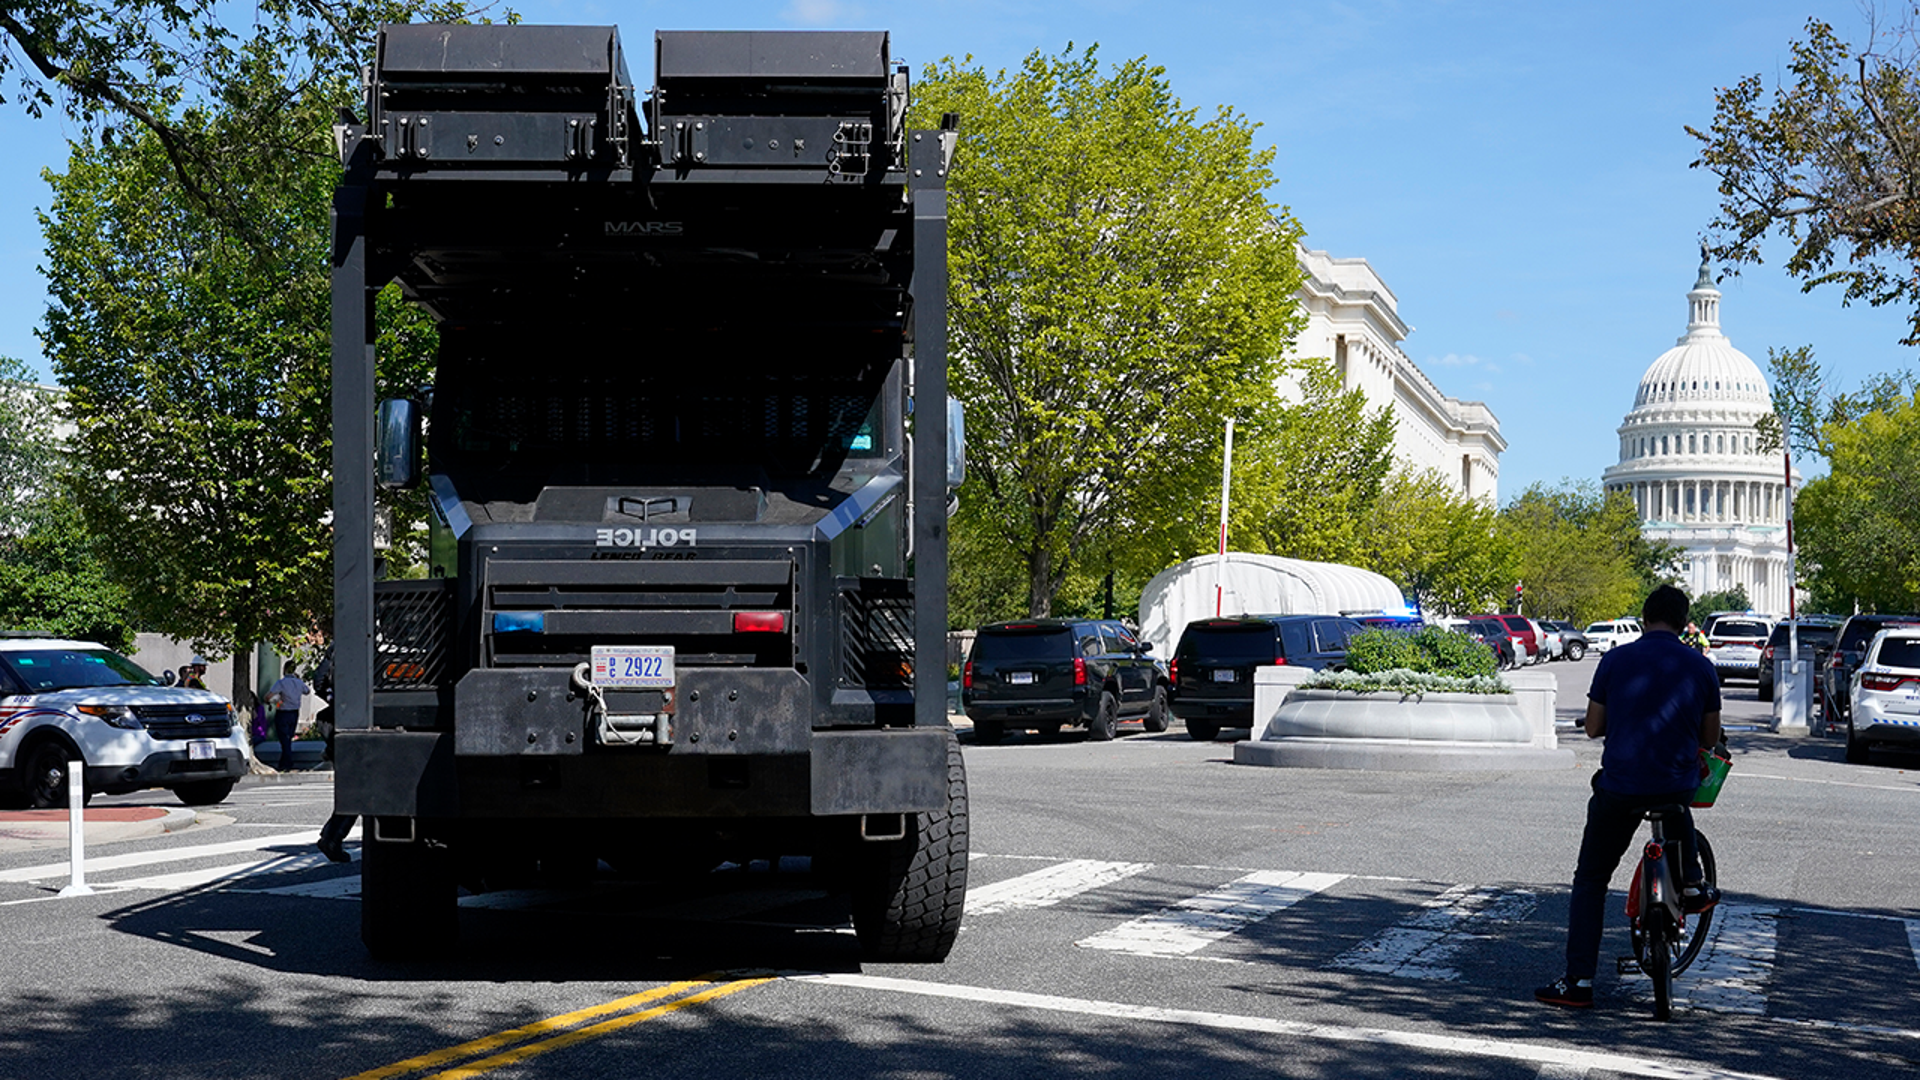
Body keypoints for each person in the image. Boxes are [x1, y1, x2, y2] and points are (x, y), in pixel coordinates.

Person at [1536, 584, 1722, 1009]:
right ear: (1682, 621)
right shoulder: (1700, 666)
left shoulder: (1616, 660)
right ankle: (1692, 881)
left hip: (1620, 786)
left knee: (1591, 881)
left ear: (1644, 617)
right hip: (1675, 785)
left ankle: (1578, 981)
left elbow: (1593, 728)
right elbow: (1709, 737)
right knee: (1679, 802)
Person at [265, 661, 310, 773]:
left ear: (284, 669)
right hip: (294, 712)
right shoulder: (299, 683)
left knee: (283, 738)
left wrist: (271, 700)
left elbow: (268, 696)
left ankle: (287, 762)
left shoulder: (281, 683)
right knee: (288, 737)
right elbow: (307, 691)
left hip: (283, 711)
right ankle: (284, 762)